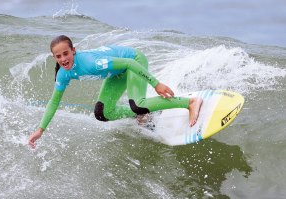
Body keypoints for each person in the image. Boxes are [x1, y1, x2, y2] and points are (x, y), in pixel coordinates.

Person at [28, 35, 202, 148]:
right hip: (117, 73)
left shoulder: (90, 63)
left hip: (133, 61)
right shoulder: (63, 74)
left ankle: (190, 102)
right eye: (58, 56)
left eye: (66, 53)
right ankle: (142, 115)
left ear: (73, 50)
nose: (63, 59)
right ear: (54, 58)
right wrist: (40, 130)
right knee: (103, 113)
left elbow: (128, 63)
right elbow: (53, 102)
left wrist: (156, 84)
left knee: (138, 104)